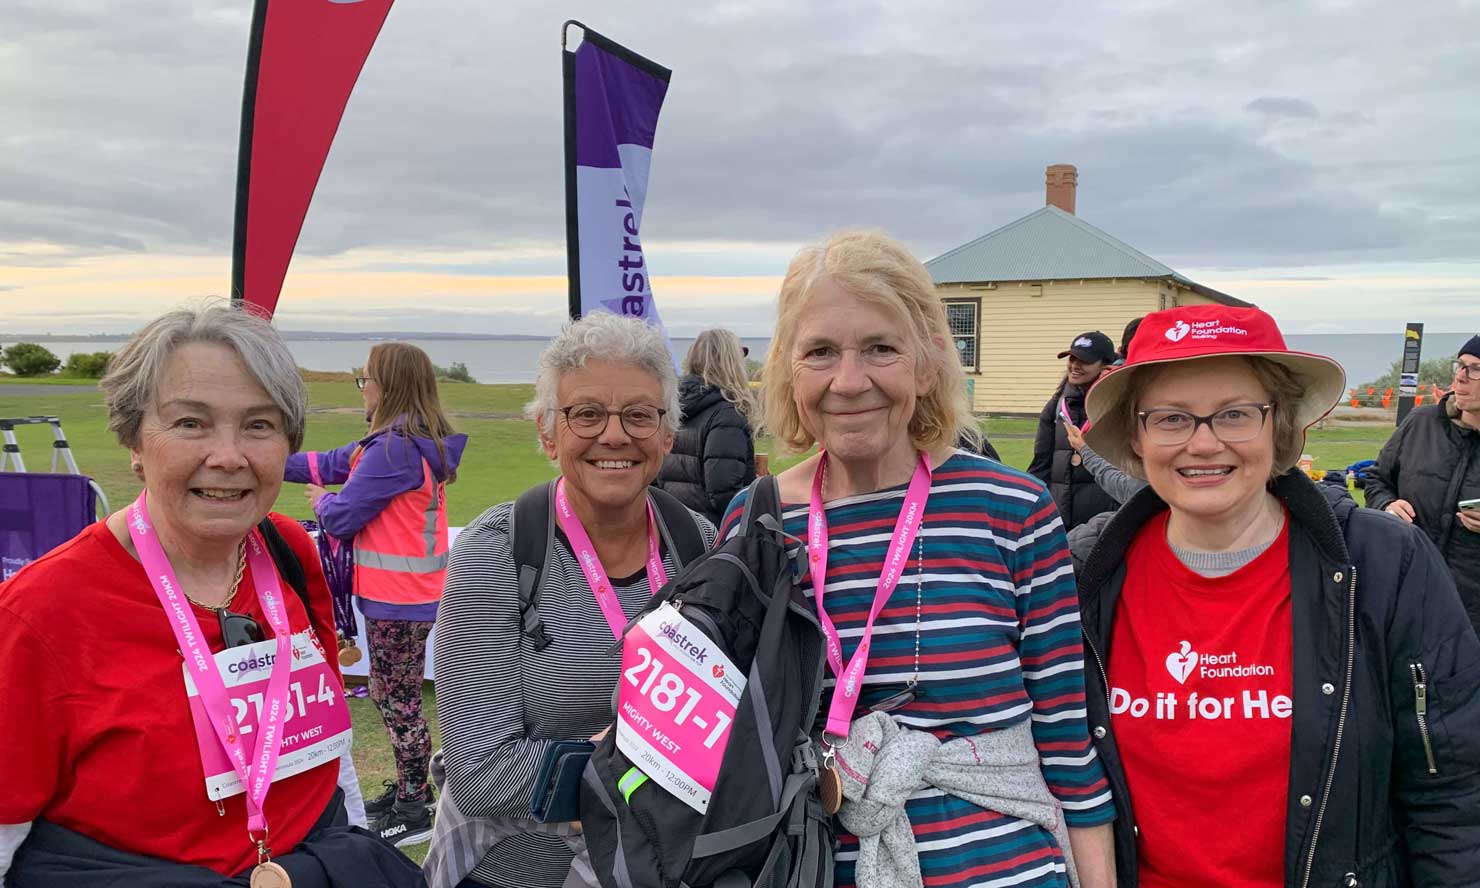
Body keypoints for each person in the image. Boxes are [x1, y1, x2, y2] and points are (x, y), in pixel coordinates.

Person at [719, 230, 1117, 888]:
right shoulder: (756, 521)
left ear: (926, 363)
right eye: (820, 352)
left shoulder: (1011, 509)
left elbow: (1068, 740)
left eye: (881, 348)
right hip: (820, 868)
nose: (850, 381)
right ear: (790, 369)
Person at [0, 304, 424, 887]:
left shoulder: (288, 553)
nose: (228, 456)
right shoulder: (41, 611)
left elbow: (327, 748)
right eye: (190, 423)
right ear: (134, 440)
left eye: (259, 425)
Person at [1072, 304, 1480, 886]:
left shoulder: (1385, 564)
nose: (1204, 443)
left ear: (1280, 427)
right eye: (1170, 418)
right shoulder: (1082, 571)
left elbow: (1454, 794)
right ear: (1137, 437)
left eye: (1236, 414)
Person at [425, 312, 716, 888]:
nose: (614, 435)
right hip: (524, 872)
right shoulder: (499, 551)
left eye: (638, 414)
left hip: (662, 868)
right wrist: (637, 761)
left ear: (666, 434)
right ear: (548, 435)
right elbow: (476, 774)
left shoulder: (701, 548)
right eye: (586, 414)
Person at [284, 342, 467, 847]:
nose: (361, 388)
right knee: (395, 695)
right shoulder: (400, 443)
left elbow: (343, 517)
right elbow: (331, 461)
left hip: (399, 600)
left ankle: (416, 803)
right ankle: (411, 791)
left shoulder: (393, 449)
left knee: (397, 699)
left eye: (364, 379)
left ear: (384, 386)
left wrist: (324, 503)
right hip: (410, 595)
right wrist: (267, 456)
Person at [1363, 335, 1480, 636]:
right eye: (1460, 366)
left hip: (1472, 609)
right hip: (1407, 589)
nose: (1461, 377)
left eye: (1475, 369)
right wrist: (1386, 504)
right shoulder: (1420, 422)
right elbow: (1377, 480)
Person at [655, 327, 758, 525]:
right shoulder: (727, 415)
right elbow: (724, 492)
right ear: (731, 364)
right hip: (715, 533)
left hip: (675, 526)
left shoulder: (672, 405)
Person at [1029, 331, 1120, 529]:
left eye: (1085, 361)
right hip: (1059, 518)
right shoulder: (1057, 405)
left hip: (1103, 520)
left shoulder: (1117, 406)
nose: (1075, 366)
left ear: (1105, 366)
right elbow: (1040, 464)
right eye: (1072, 358)